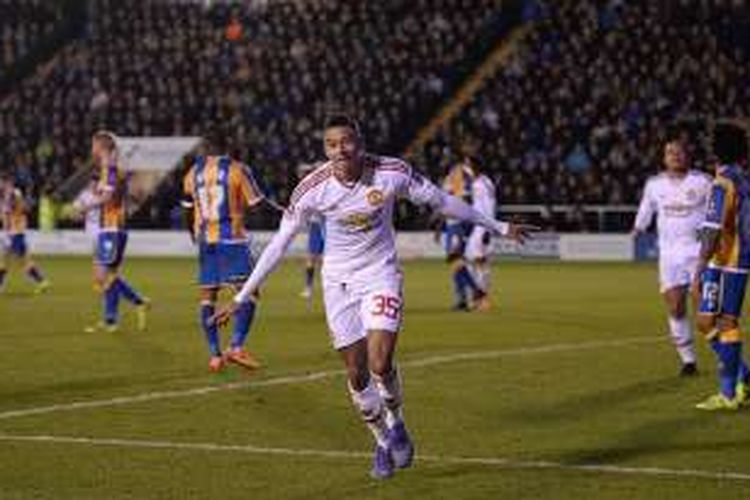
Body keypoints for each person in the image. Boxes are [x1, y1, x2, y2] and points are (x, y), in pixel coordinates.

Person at [212, 115, 535, 479]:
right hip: (338, 284)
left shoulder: (391, 172)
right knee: (356, 373)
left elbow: (443, 202)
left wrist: (500, 225)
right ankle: (381, 441)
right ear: (325, 149)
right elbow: (278, 245)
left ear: (359, 142)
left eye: (346, 142)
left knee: (380, 363)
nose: (339, 150)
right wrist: (241, 297)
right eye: (331, 144)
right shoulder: (311, 188)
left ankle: (396, 422)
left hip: (380, 273)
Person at [182, 132, 266, 372]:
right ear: (228, 147)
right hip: (232, 240)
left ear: (204, 150)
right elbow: (256, 203)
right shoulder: (237, 169)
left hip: (205, 242)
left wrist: (193, 234)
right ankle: (237, 346)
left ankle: (215, 356)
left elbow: (187, 208)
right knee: (250, 292)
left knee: (207, 297)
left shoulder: (192, 173)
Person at [632, 137, 712, 376]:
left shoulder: (703, 182)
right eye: (670, 152)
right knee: (676, 307)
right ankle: (688, 362)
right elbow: (646, 209)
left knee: (705, 310)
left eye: (679, 151)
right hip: (668, 255)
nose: (675, 155)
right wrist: (637, 228)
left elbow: (716, 214)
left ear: (688, 155)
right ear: (663, 158)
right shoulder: (654, 185)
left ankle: (726, 358)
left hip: (698, 253)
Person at [693, 122, 750, 411]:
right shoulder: (736, 177)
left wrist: (700, 264)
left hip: (731, 261)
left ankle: (728, 394)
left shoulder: (724, 183)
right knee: (705, 322)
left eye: (711, 140)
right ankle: (746, 377)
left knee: (727, 322)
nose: (707, 144)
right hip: (721, 258)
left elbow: (714, 228)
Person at [79, 131, 149, 333]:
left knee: (102, 275)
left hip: (113, 227)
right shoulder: (107, 168)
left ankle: (138, 301)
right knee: (107, 274)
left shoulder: (109, 168)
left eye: (93, 144)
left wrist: (88, 205)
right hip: (109, 227)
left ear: (101, 146)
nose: (92, 149)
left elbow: (108, 198)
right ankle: (111, 320)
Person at [440, 151, 488, 311]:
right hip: (450, 223)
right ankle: (462, 298)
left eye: (446, 157)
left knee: (455, 260)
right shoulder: (451, 176)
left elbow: (467, 197)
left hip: (458, 223)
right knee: (455, 263)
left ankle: (476, 291)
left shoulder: (461, 174)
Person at [0, 173, 50, 293]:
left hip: (16, 232)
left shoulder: (14, 194)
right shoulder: (7, 195)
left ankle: (42, 282)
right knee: (8, 260)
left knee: (20, 262)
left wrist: (9, 209)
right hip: (12, 232)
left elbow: (21, 209)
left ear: (7, 182)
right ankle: (42, 282)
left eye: (2, 182)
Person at [464, 158, 498, 303]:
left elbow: (490, 206)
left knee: (480, 261)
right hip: (477, 226)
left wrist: (488, 230)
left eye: (468, 165)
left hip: (483, 227)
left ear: (475, 167)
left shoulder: (484, 183)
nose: (466, 169)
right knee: (469, 259)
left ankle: (483, 296)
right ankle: (478, 293)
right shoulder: (476, 183)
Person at [297, 161, 325, 308]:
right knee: (311, 258)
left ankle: (338, 286)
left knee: (329, 260)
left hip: (329, 226)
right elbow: (301, 171)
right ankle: (308, 287)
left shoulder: (328, 184)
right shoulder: (312, 186)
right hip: (316, 226)